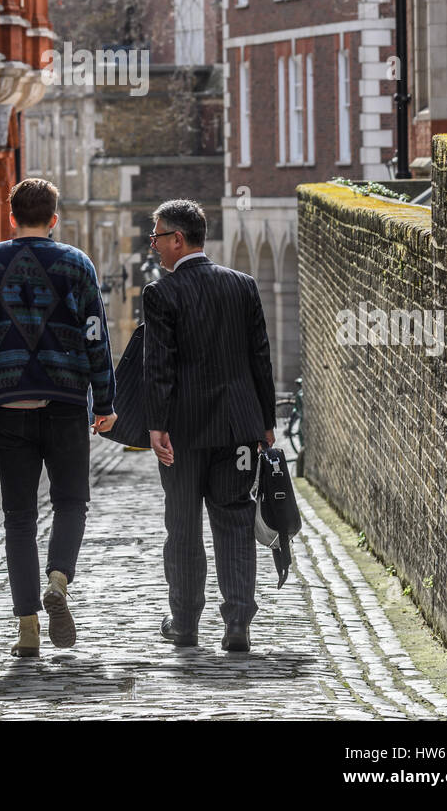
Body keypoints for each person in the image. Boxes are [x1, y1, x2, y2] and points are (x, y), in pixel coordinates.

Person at [0, 177, 117, 658]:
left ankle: (27, 626)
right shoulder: (76, 264)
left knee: (19, 518)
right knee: (71, 503)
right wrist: (105, 402)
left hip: (8, 407)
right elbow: (95, 336)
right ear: (54, 218)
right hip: (66, 402)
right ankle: (59, 580)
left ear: (11, 217)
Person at [142, 199, 276, 654]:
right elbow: (261, 358)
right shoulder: (243, 286)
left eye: (158, 236)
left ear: (178, 239)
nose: (154, 246)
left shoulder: (162, 293)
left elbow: (160, 366)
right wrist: (267, 422)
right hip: (239, 428)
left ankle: (184, 622)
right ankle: (237, 622)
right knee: (235, 522)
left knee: (182, 526)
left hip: (182, 432)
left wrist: (157, 425)